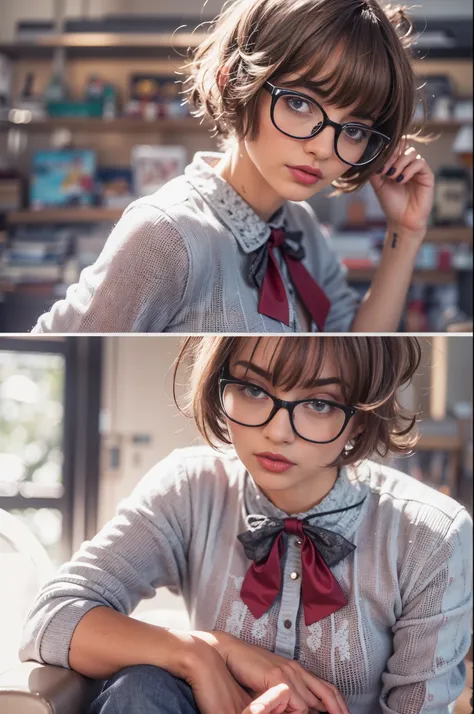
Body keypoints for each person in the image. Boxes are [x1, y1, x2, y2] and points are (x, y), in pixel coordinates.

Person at [20, 336, 472, 713]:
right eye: (254, 389)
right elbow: (52, 619)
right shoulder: (190, 488)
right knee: (140, 686)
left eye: (318, 402)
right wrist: (203, 650)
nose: (277, 431)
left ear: (359, 419)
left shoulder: (429, 535)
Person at [31, 0, 434, 334]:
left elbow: (353, 350)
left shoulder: (302, 228)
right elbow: (57, 343)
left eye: (354, 128)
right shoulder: (166, 235)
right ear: (234, 82)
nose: (325, 147)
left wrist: (405, 233)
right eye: (299, 103)